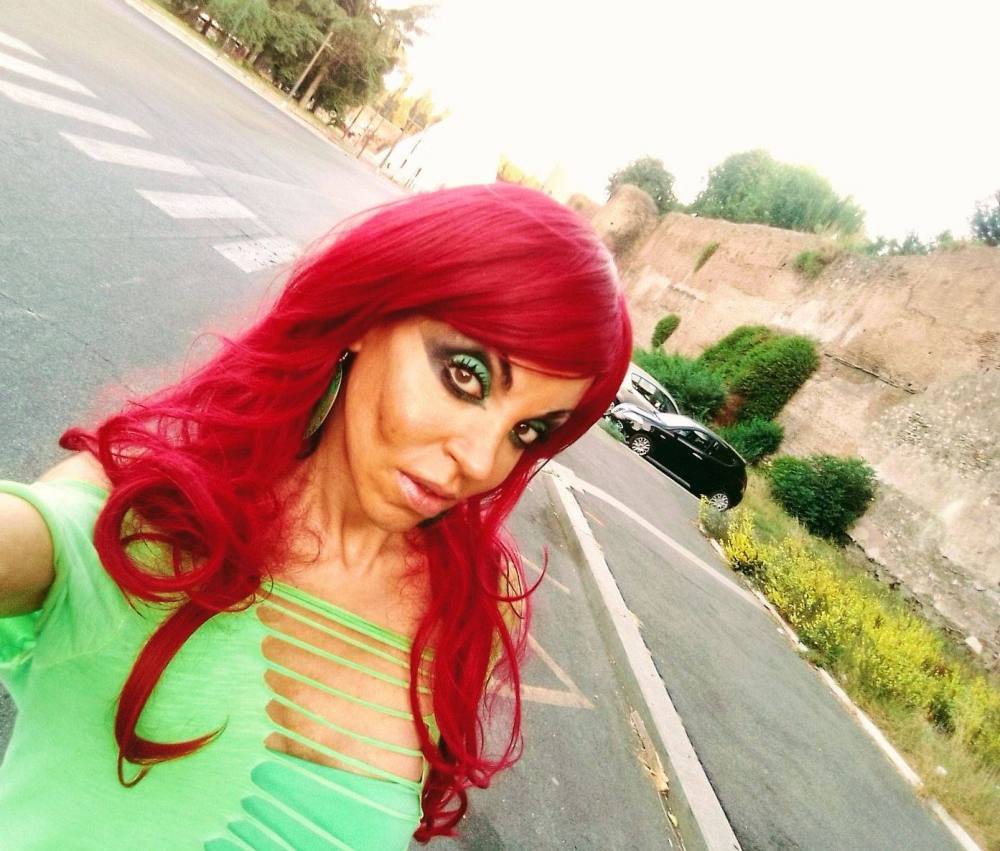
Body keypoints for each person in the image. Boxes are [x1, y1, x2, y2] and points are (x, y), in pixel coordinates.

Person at [0, 182, 632, 849]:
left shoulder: (465, 603)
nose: (480, 460)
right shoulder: (152, 508)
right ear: (367, 318)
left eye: (528, 431)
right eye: (466, 376)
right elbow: (37, 534)